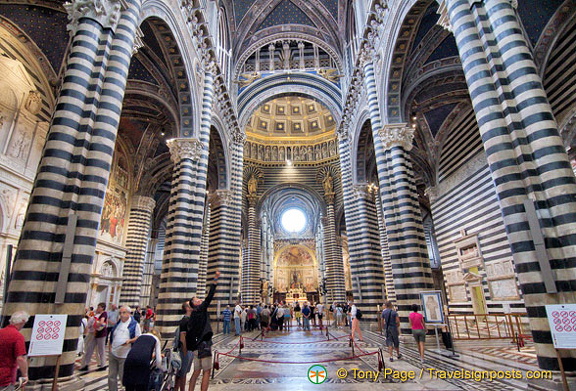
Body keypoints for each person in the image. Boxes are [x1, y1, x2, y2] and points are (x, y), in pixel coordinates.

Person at [188, 271, 220, 391]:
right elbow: (210, 296)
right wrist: (215, 280)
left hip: (196, 346)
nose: (200, 300)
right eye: (197, 299)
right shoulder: (200, 309)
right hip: (204, 345)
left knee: (196, 371)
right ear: (195, 304)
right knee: (206, 371)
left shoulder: (192, 316)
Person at [108, 306, 141, 391]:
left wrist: (129, 341)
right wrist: (110, 347)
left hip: (125, 354)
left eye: (123, 312)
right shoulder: (118, 323)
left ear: (129, 313)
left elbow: (138, 337)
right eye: (120, 313)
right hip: (114, 352)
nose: (121, 315)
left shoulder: (134, 324)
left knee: (123, 376)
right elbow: (112, 335)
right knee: (111, 376)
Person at [0, 311, 29, 390]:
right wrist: (25, 375)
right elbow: (20, 358)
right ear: (22, 322)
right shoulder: (17, 336)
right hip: (6, 377)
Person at [81, 302, 108, 371]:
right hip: (94, 334)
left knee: (101, 350)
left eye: (99, 307)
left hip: (101, 334)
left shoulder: (104, 313)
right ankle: (86, 365)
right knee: (89, 349)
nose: (98, 308)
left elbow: (101, 322)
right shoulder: (95, 314)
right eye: (98, 307)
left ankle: (103, 365)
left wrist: (96, 323)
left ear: (102, 308)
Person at [175, 302, 193, 391]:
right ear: (187, 308)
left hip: (189, 349)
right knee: (182, 373)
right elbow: (182, 338)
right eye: (191, 305)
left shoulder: (189, 319)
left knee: (182, 372)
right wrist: (185, 351)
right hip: (185, 350)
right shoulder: (185, 320)